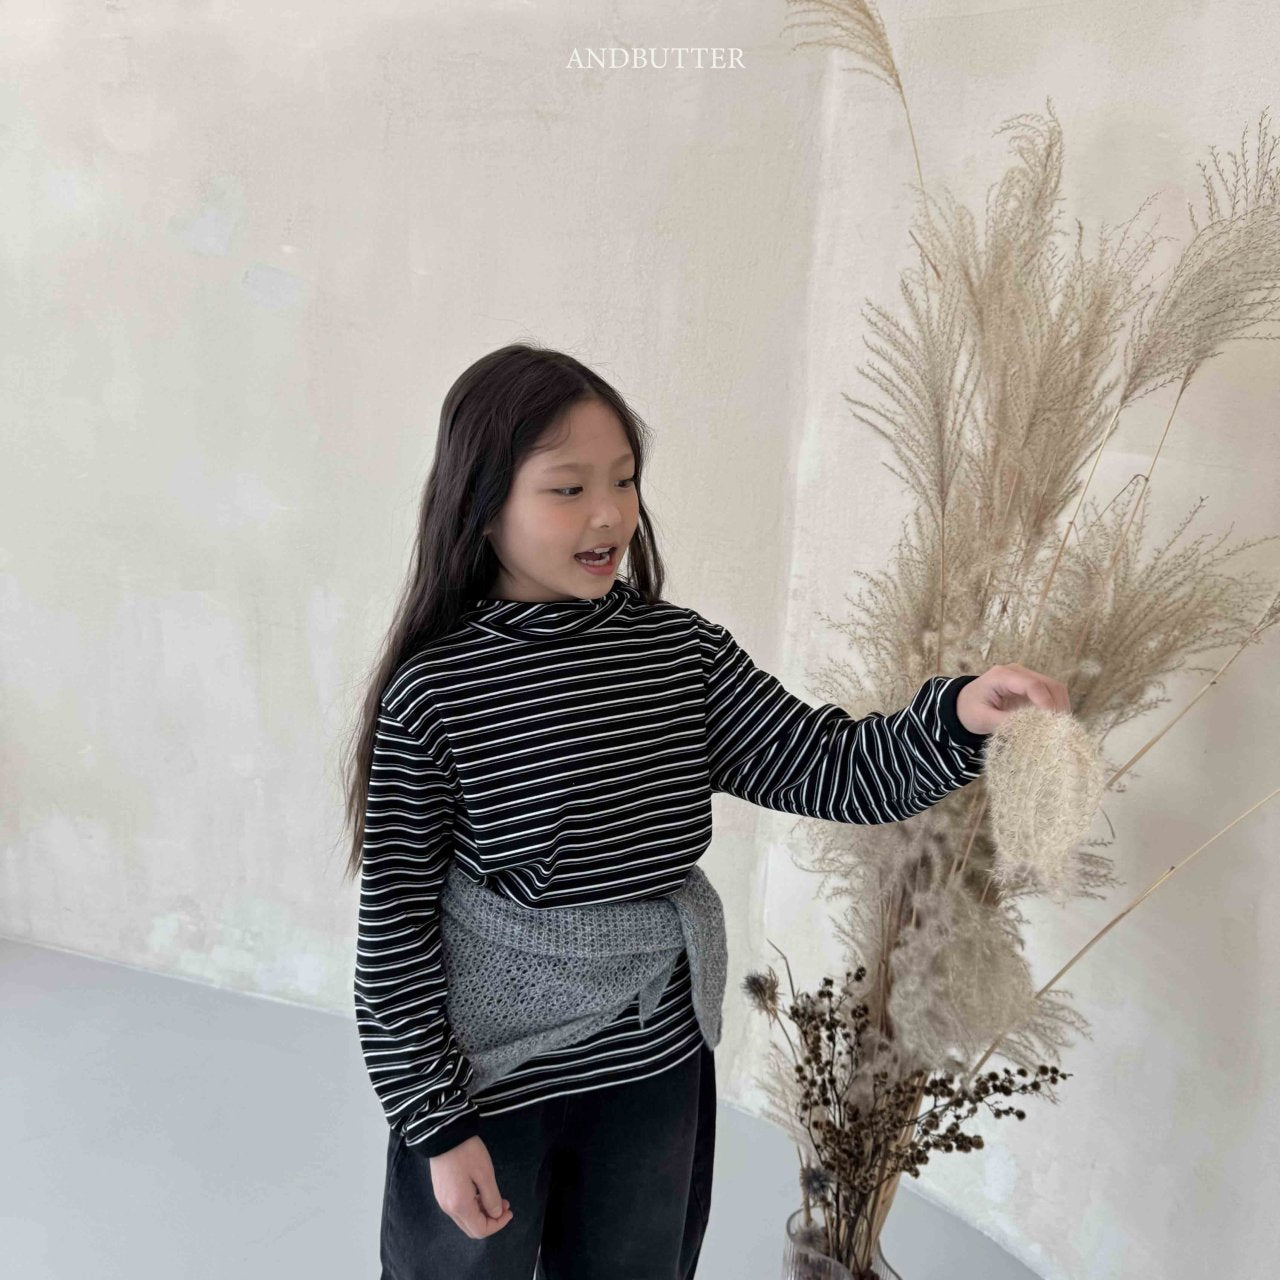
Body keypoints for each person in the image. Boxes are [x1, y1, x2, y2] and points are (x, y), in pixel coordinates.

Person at [341, 342, 1066, 1279]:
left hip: (653, 1067)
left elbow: (835, 769)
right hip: (487, 1082)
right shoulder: (436, 694)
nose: (610, 514)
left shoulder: (681, 655)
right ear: (481, 505)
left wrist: (959, 715)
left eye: (625, 480)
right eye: (568, 489)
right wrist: (437, 1125)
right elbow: (396, 933)